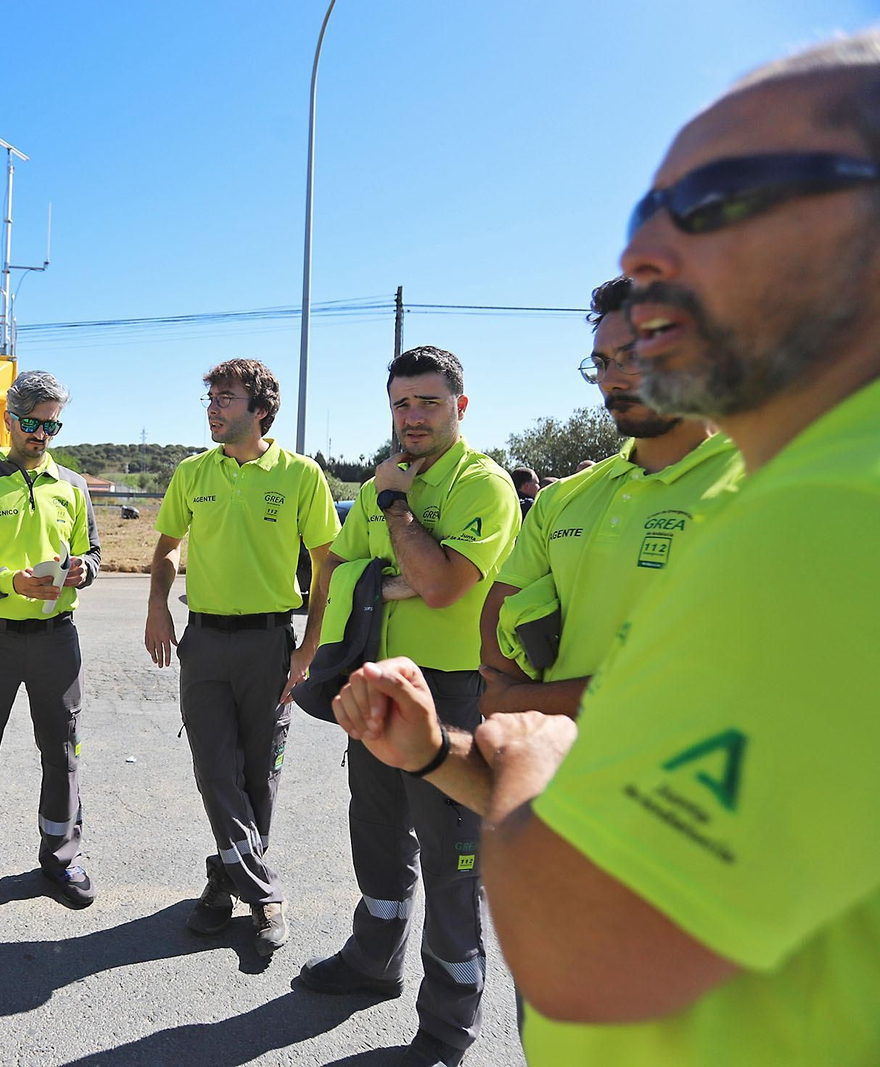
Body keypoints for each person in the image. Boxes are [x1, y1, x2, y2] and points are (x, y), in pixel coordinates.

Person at [333, 31, 880, 1065]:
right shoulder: (796, 495)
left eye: (721, 196)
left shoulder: (836, 512)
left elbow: (579, 940)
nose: (644, 256)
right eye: (647, 212)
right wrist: (444, 750)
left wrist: (538, 756)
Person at [300, 346, 520, 1067]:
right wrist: (392, 569)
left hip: (451, 689)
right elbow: (346, 567)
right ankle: (373, 960)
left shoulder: (482, 485)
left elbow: (444, 586)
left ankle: (450, 1023)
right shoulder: (378, 481)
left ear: (461, 405)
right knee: (378, 830)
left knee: (453, 861)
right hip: (376, 678)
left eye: (428, 402)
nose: (413, 416)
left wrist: (395, 510)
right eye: (401, 403)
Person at [479, 277, 742, 721]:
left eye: (633, 357)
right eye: (600, 363)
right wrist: (521, 723)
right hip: (553, 777)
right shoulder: (564, 496)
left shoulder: (757, 485)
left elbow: (699, 674)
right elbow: (497, 621)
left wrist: (520, 703)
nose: (612, 380)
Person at [145, 358, 339, 957]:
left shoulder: (302, 476)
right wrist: (157, 604)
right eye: (210, 397)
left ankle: (224, 879)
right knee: (213, 770)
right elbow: (166, 551)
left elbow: (326, 567)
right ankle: (264, 891)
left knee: (261, 775)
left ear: (259, 410)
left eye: (225, 398)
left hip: (270, 643)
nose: (212, 407)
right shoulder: (191, 473)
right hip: (201, 643)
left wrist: (308, 647)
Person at [0, 370, 101, 930]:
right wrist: (10, 583)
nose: (44, 434)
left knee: (63, 754)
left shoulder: (74, 486)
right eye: (33, 423)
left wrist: (84, 569)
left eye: (53, 424)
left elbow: (93, 553)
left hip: (57, 640)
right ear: (10, 420)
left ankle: (60, 859)